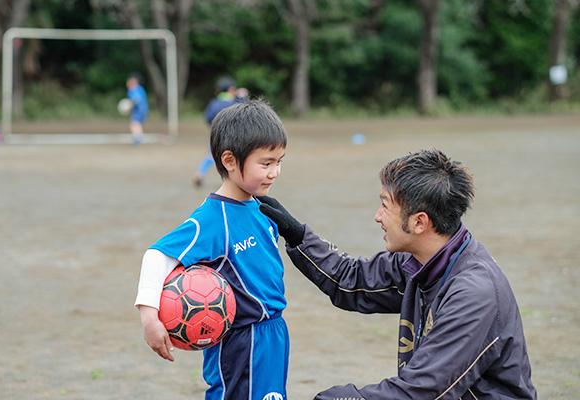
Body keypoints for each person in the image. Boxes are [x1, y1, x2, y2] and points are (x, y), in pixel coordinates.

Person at [259, 149, 537, 399]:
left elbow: (421, 392)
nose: (377, 216)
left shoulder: (474, 294)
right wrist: (297, 235)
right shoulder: (416, 262)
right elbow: (351, 281)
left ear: (419, 222)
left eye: (385, 205)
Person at [135, 100, 290, 400]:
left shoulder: (262, 208)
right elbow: (157, 255)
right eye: (266, 163)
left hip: (274, 333)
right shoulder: (212, 219)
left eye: (280, 161)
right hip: (241, 341)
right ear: (230, 161)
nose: (275, 172)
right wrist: (149, 317)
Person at [193, 76, 249, 187]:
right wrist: (243, 97)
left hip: (216, 134)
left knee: (211, 156)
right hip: (234, 135)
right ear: (231, 89)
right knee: (235, 157)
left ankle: (199, 173)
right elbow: (246, 112)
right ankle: (237, 179)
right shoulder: (235, 102)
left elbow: (207, 117)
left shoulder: (214, 103)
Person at [126, 74, 149, 145]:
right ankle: (138, 138)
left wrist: (128, 107)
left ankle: (137, 139)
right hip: (143, 110)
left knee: (135, 124)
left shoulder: (134, 90)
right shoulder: (139, 89)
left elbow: (135, 100)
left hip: (139, 110)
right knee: (137, 124)